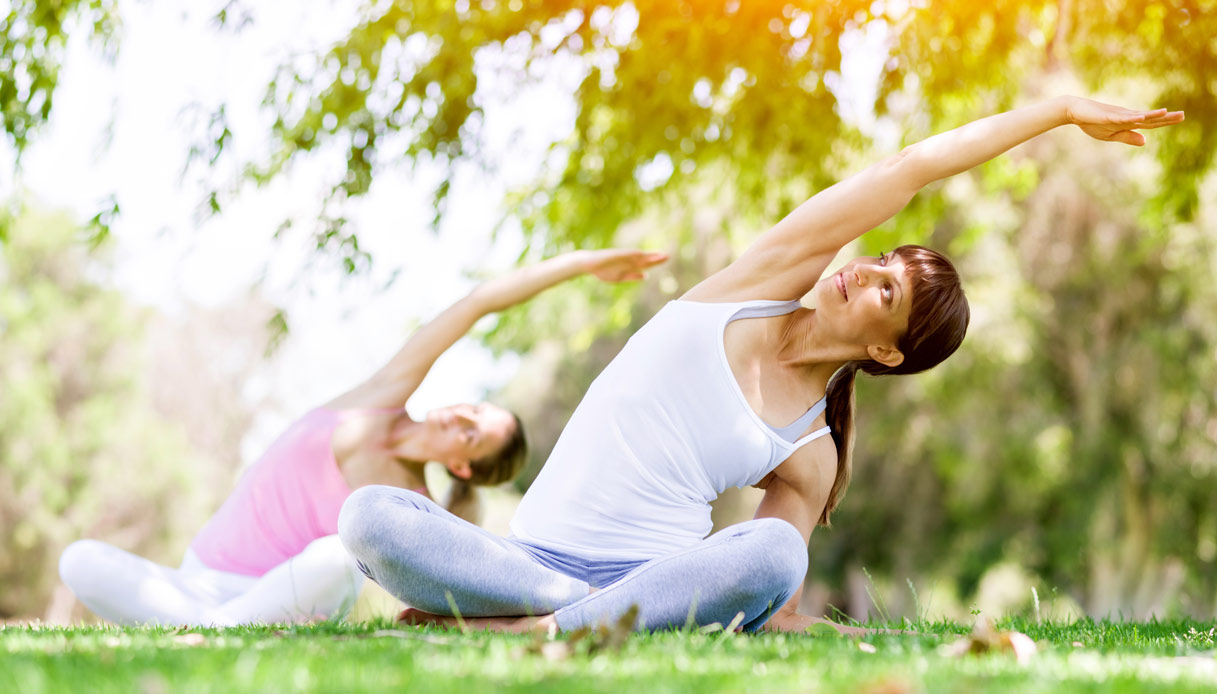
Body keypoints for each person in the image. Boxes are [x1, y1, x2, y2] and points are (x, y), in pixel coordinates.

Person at [336, 96, 1184, 635]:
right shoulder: (759, 283)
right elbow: (907, 169)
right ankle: (561, 619)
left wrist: (801, 622)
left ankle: (537, 630)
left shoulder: (811, 449)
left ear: (885, 352)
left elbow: (758, 589)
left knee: (778, 553)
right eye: (879, 261)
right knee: (371, 517)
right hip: (526, 564)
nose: (862, 271)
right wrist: (1056, 110)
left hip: (647, 581)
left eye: (884, 291)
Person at [57, 248, 668, 626]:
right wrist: (585, 264)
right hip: (195, 579)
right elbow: (478, 304)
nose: (461, 416)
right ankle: (212, 629)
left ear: (461, 466)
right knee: (78, 560)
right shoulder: (379, 396)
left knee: (338, 558)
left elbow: (474, 582)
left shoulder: (411, 510)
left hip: (283, 595)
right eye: (474, 409)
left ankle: (215, 631)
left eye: (473, 434)